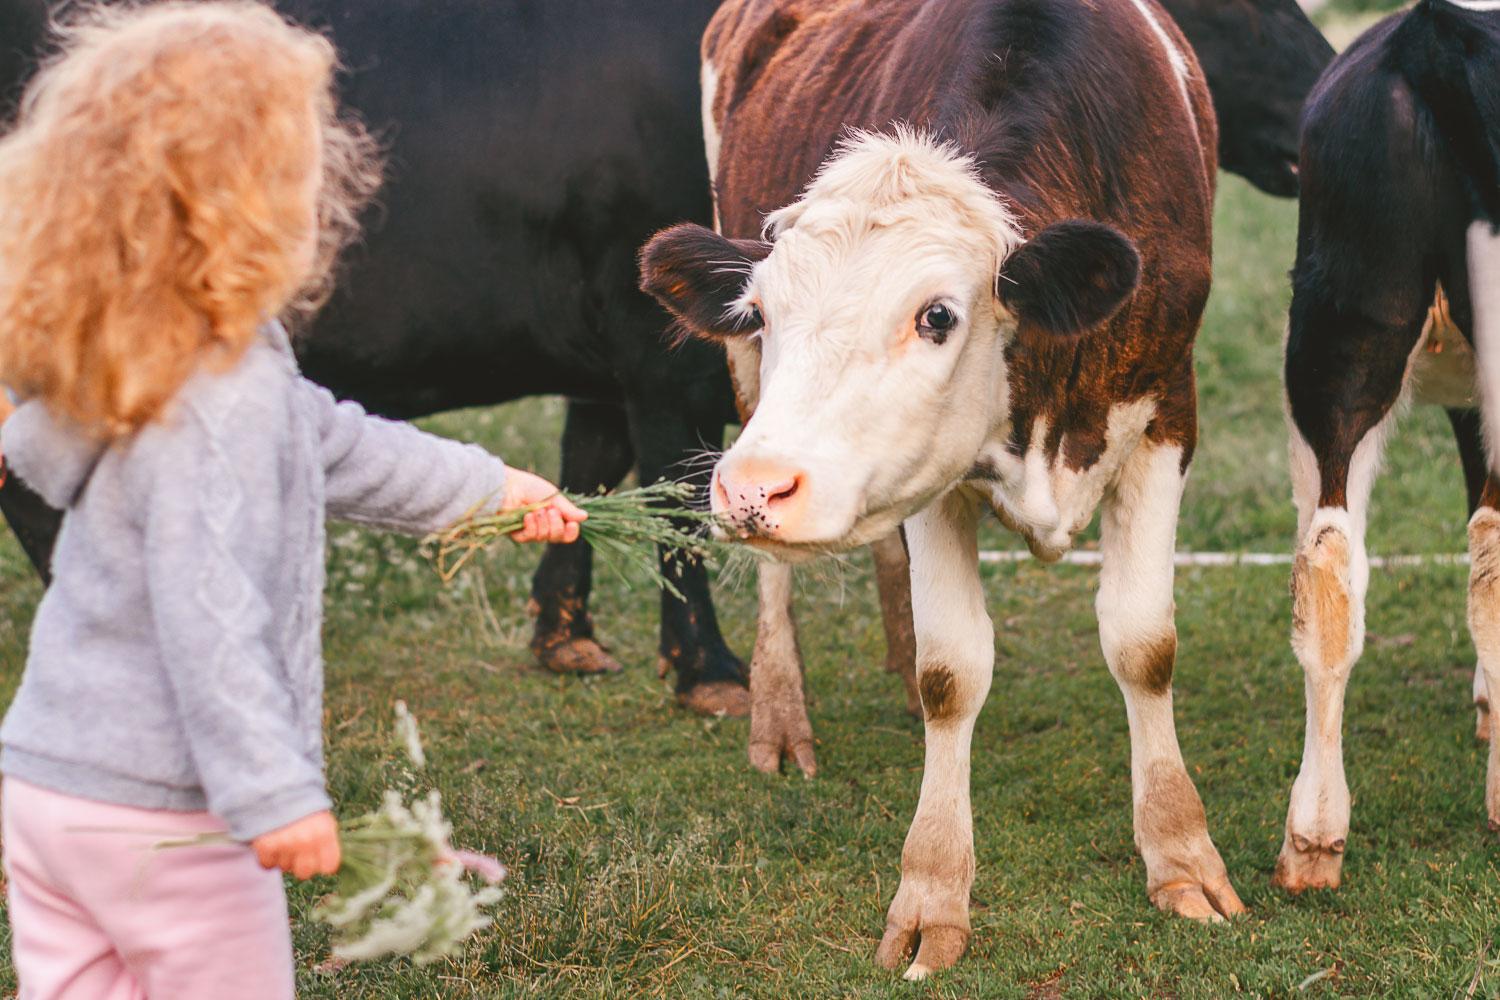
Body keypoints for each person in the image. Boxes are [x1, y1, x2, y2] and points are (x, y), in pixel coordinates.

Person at [0, 4, 583, 996]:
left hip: (51, 787)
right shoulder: (226, 400)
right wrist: (272, 793)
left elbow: (337, 445)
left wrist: (488, 487)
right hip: (169, 816)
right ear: (255, 199)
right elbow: (209, 609)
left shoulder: (141, 351)